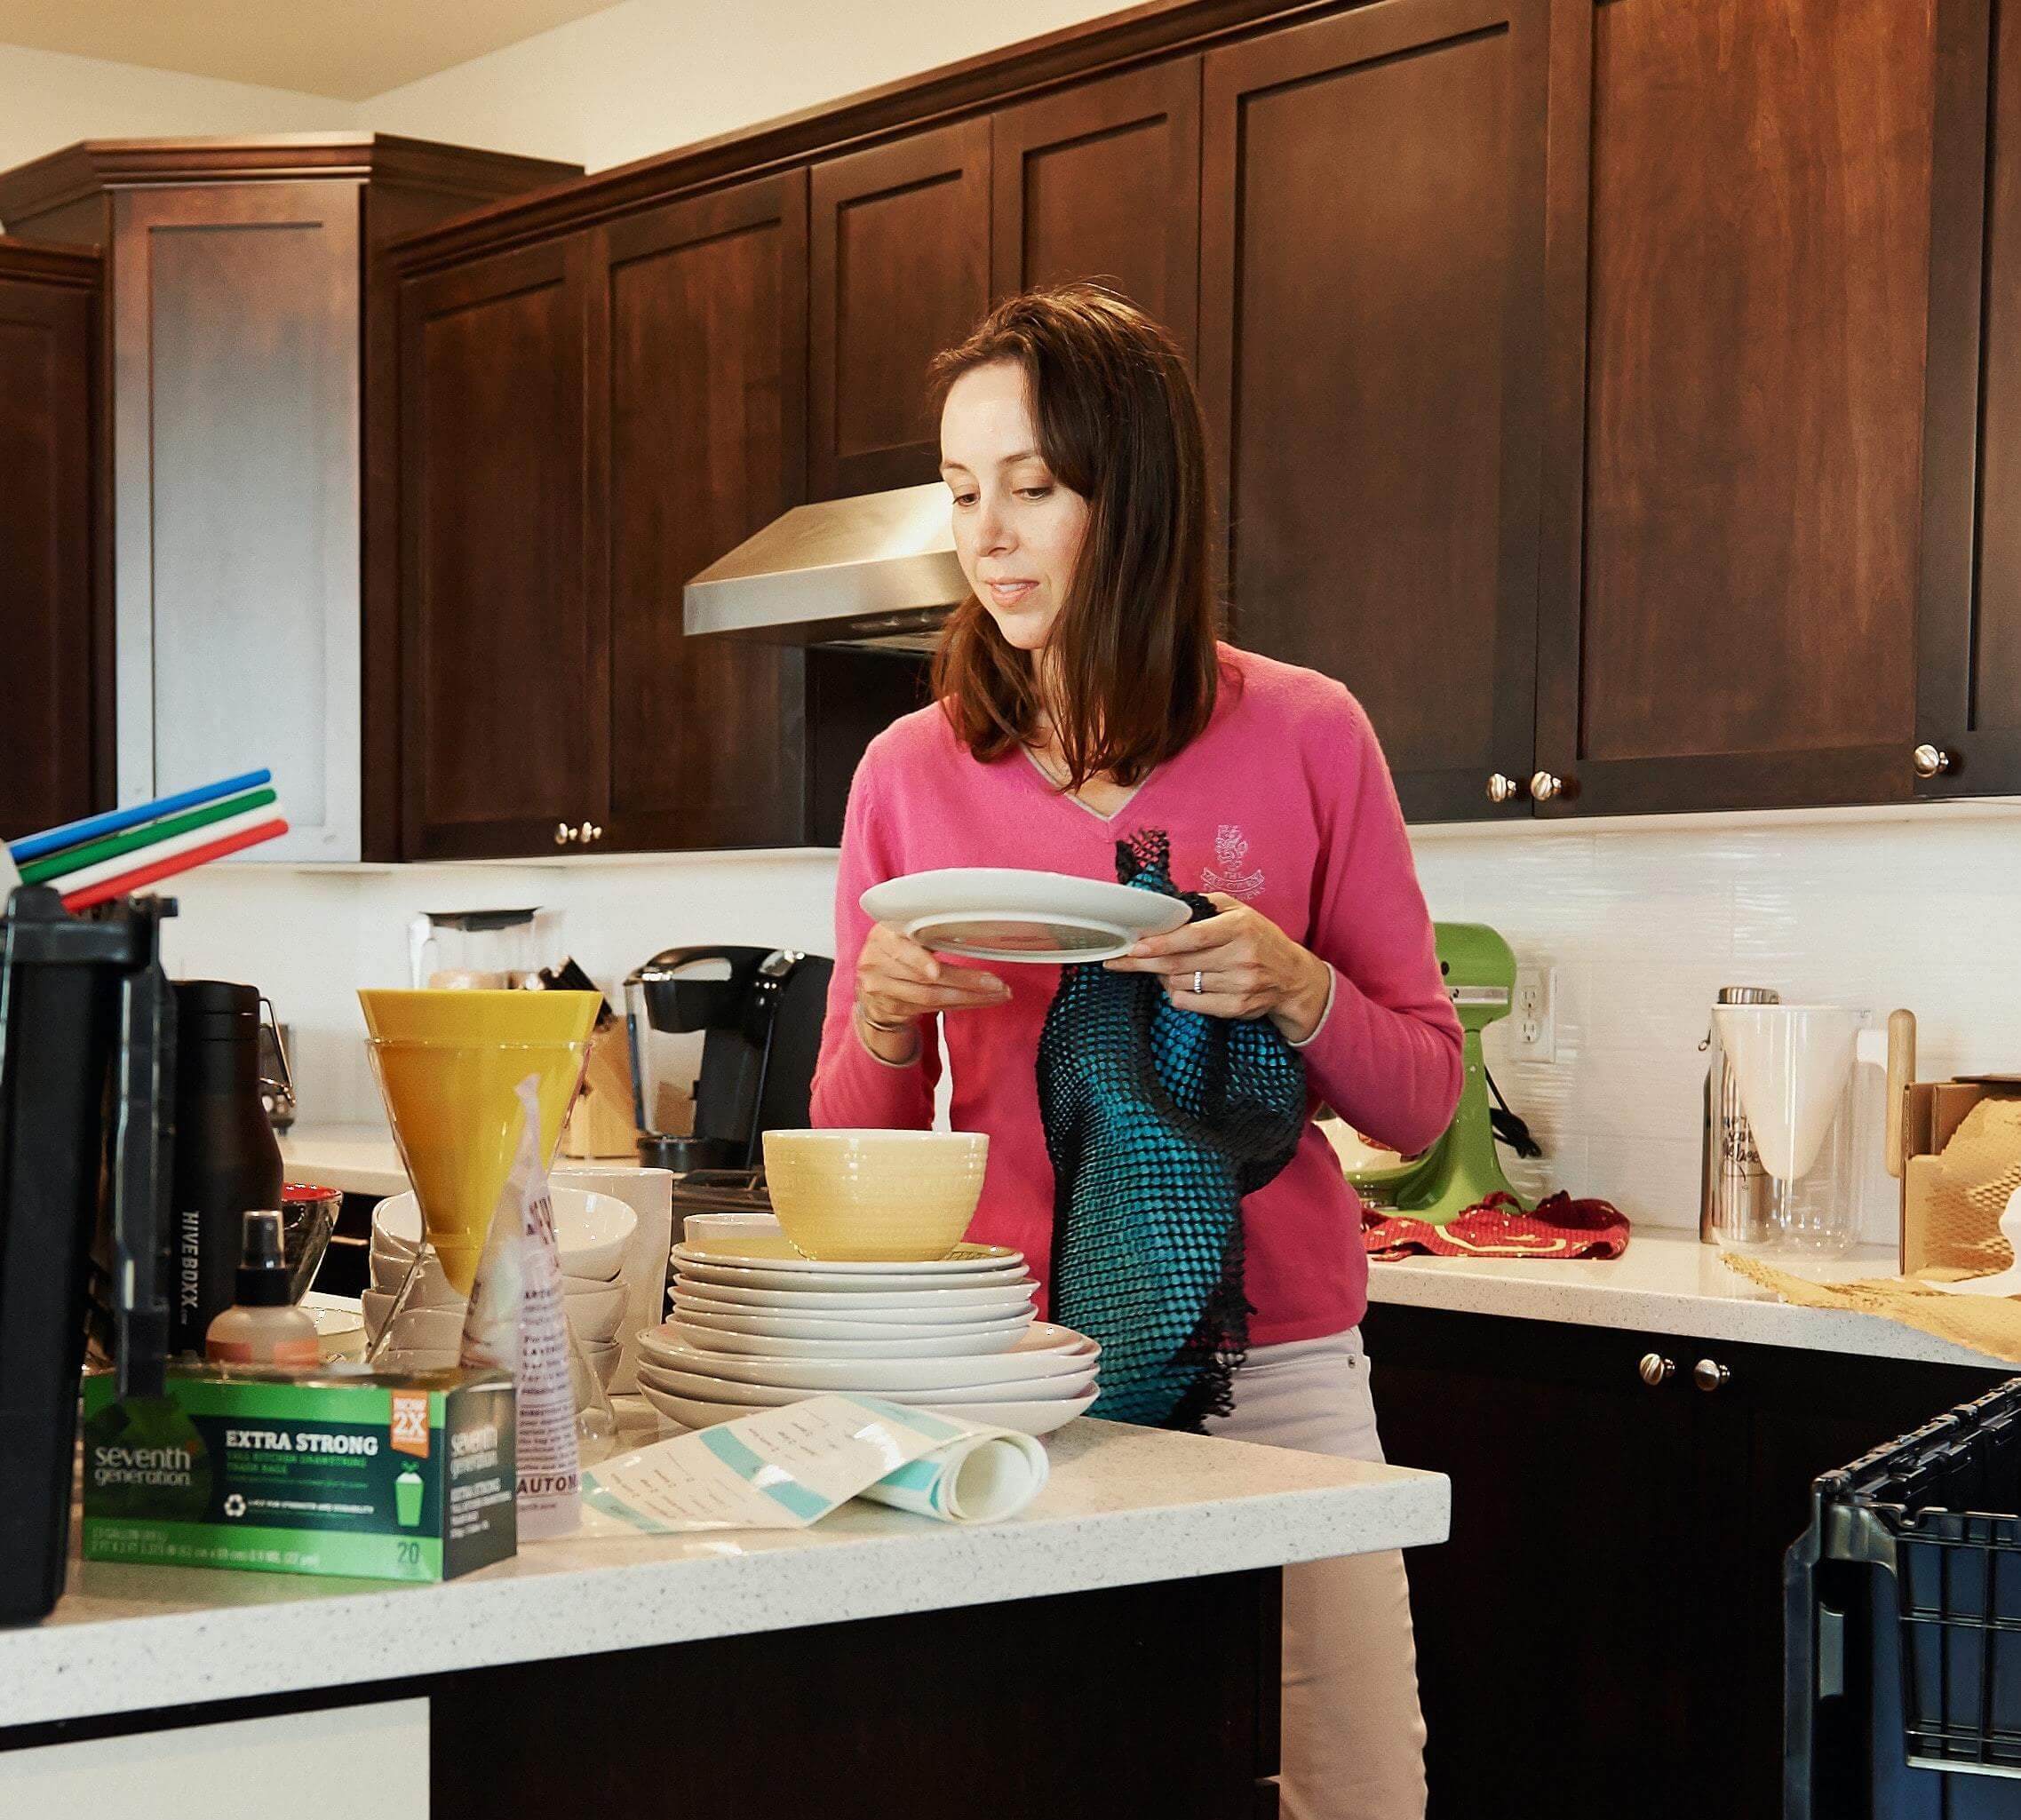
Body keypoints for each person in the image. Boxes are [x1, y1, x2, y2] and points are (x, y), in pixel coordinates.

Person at [808, 283, 1464, 1820]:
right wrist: (885, 1019)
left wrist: (1299, 989)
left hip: (1277, 1368)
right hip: (1004, 1374)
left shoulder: (1308, 734)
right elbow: (859, 1153)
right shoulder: (910, 771)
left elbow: (1425, 1095)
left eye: (1033, 487)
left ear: (1137, 491)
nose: (990, 533)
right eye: (965, 493)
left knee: (1354, 1789)